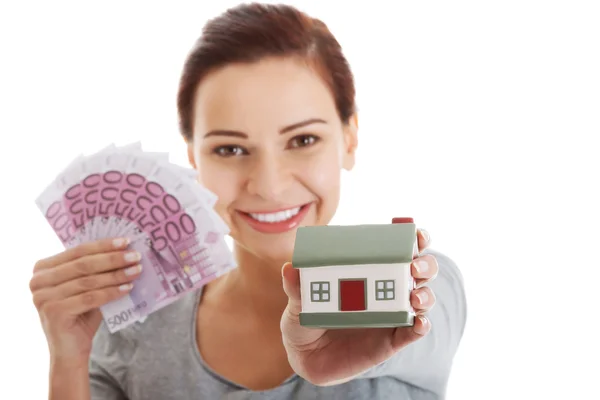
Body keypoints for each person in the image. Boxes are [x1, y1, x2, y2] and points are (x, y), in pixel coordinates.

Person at [29, 3, 467, 399]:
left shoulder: (420, 282)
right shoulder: (137, 326)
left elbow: (418, 323)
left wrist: (357, 335)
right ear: (192, 157)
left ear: (349, 139)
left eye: (303, 139)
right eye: (230, 149)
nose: (270, 187)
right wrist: (68, 360)